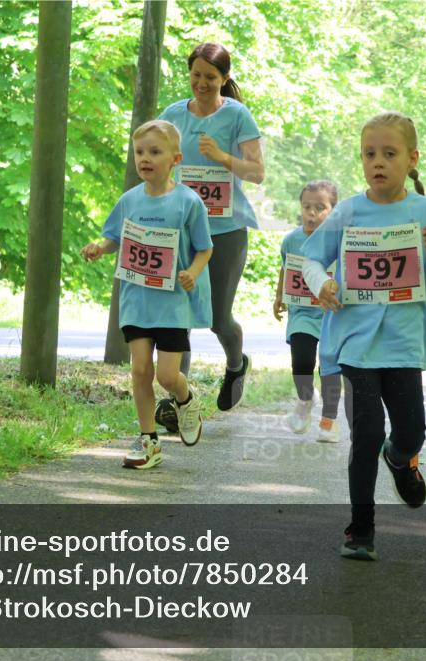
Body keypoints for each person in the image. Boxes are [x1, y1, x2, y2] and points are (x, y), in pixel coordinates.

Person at [300, 112, 426, 560]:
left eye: (389, 154)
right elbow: (310, 260)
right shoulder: (349, 211)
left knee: (411, 430)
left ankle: (401, 458)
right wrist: (323, 285)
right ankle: (360, 527)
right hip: (354, 342)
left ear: (411, 159)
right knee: (367, 433)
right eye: (369, 154)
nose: (378, 162)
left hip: (403, 342)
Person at [82, 120, 212, 469]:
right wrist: (100, 247)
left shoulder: (188, 202)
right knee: (140, 370)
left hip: (171, 304)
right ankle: (149, 441)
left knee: (166, 377)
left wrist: (193, 273)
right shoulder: (129, 200)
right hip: (136, 300)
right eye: (140, 152)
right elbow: (115, 237)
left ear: (175, 159)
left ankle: (185, 399)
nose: (145, 158)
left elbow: (205, 248)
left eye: (155, 152)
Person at [154, 43, 265, 431]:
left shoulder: (236, 116)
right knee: (176, 318)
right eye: (196, 75)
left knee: (219, 319)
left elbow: (257, 172)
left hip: (226, 231)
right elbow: (153, 161)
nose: (202, 83)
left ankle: (236, 365)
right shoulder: (171, 116)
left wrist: (221, 156)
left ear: (225, 79)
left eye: (211, 77)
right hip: (180, 231)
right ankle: (175, 401)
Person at [273, 180, 343, 442]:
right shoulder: (292, 240)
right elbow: (286, 268)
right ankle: (305, 399)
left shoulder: (339, 240)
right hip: (301, 312)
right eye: (307, 207)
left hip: (331, 315)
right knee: (301, 362)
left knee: (330, 369)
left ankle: (329, 421)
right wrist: (279, 296)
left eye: (320, 207)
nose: (312, 213)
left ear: (333, 211)